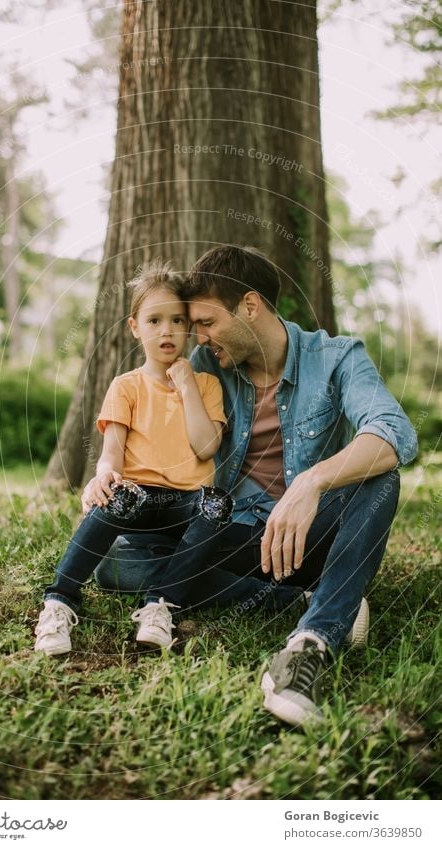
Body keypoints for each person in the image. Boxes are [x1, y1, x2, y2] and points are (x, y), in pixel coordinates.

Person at [95, 245, 418, 725]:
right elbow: (147, 414)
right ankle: (310, 596)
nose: (196, 338)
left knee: (380, 479)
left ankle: (311, 642)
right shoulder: (203, 368)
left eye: (205, 322)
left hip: (309, 536)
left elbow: (395, 433)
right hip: (234, 535)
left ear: (250, 306)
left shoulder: (336, 358)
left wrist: (311, 483)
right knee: (116, 561)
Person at [34, 259, 303, 658]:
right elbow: (111, 455)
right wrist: (103, 477)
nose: (167, 331)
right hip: (138, 501)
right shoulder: (125, 387)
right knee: (116, 497)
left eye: (178, 321)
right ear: (134, 326)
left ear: (189, 328)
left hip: (187, 505)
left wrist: (186, 386)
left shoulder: (207, 383)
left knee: (216, 503)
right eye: (155, 320)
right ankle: (59, 602)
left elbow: (206, 447)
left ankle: (160, 605)